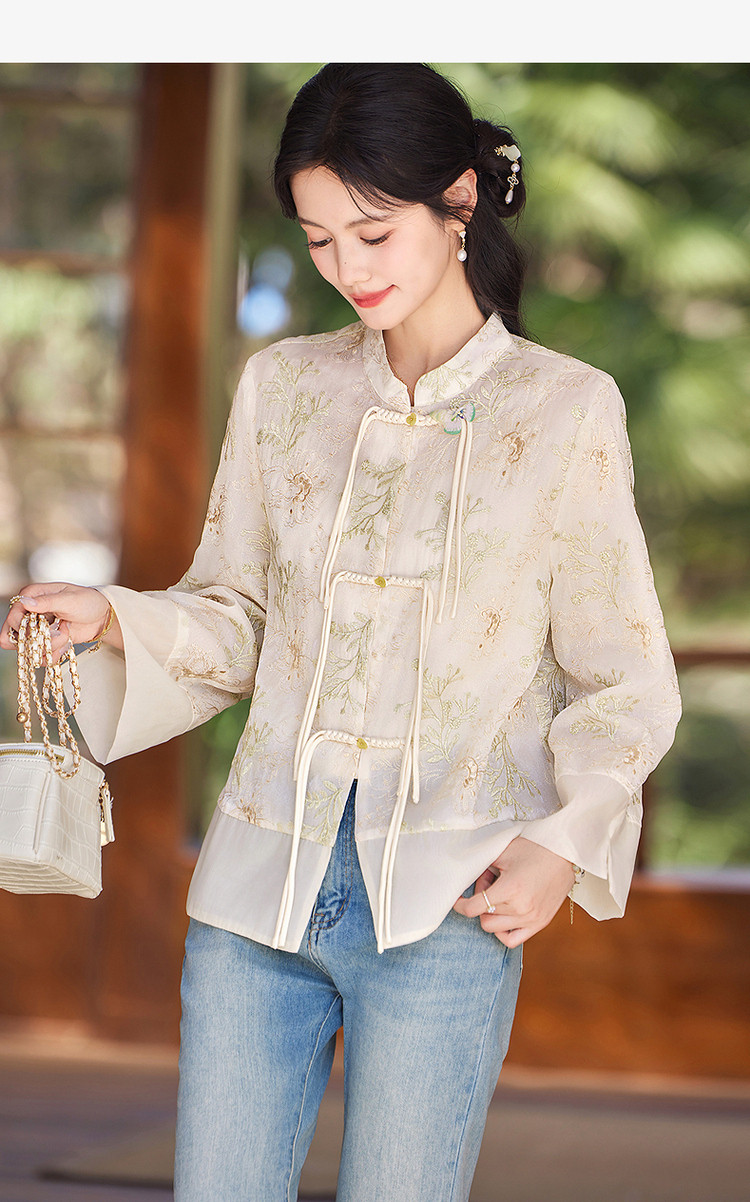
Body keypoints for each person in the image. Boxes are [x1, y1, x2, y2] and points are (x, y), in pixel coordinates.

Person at [1, 63, 681, 1202]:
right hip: (256, 891)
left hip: (447, 904)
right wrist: (117, 615)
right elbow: (240, 617)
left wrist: (564, 843)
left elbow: (623, 674)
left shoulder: (568, 410)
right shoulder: (283, 388)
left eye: (372, 233)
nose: (348, 269)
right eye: (319, 240)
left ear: (460, 201)